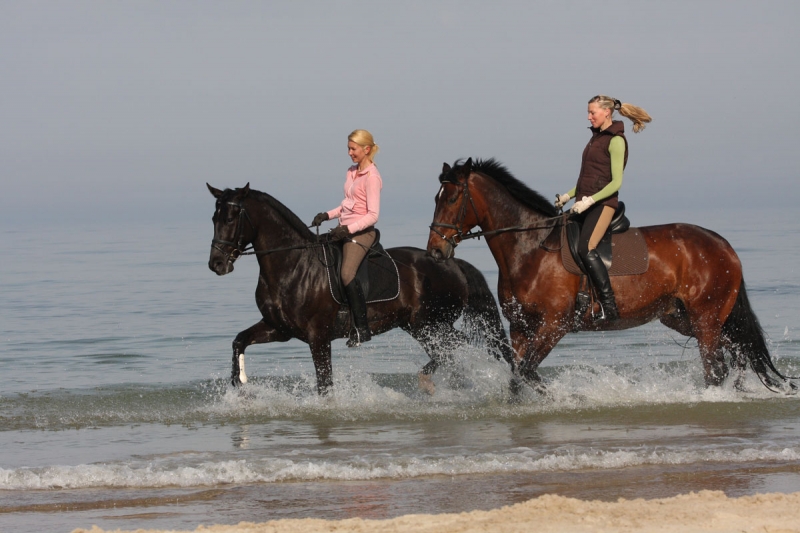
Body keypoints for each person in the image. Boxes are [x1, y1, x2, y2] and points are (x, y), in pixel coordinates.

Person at [554, 95, 652, 321]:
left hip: (604, 204)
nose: (589, 117)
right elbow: (588, 179)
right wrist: (569, 195)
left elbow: (616, 182)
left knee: (586, 248)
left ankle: (609, 305)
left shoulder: (616, 140)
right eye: (588, 113)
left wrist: (589, 200)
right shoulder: (595, 138)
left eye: (592, 113)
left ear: (607, 112)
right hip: (584, 203)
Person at [310, 129, 382, 346]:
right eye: (348, 149)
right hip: (344, 229)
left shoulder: (372, 177)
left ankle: (361, 329)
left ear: (366, 149)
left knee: (347, 273)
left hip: (362, 233)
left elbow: (373, 215)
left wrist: (348, 230)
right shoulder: (351, 172)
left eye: (353, 149)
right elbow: (347, 205)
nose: (350, 153)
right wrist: (328, 215)